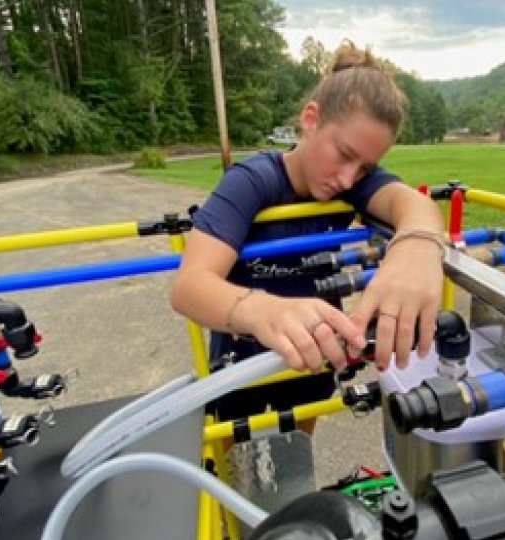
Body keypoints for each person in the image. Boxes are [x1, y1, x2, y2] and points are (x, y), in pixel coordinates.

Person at [170, 41, 444, 424]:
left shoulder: (352, 183)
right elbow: (188, 286)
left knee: (297, 444)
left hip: (313, 354)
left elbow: (414, 205)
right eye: (344, 154)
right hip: (242, 356)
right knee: (234, 449)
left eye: (365, 168)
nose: (349, 177)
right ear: (310, 119)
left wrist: (417, 245)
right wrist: (265, 309)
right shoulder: (250, 181)